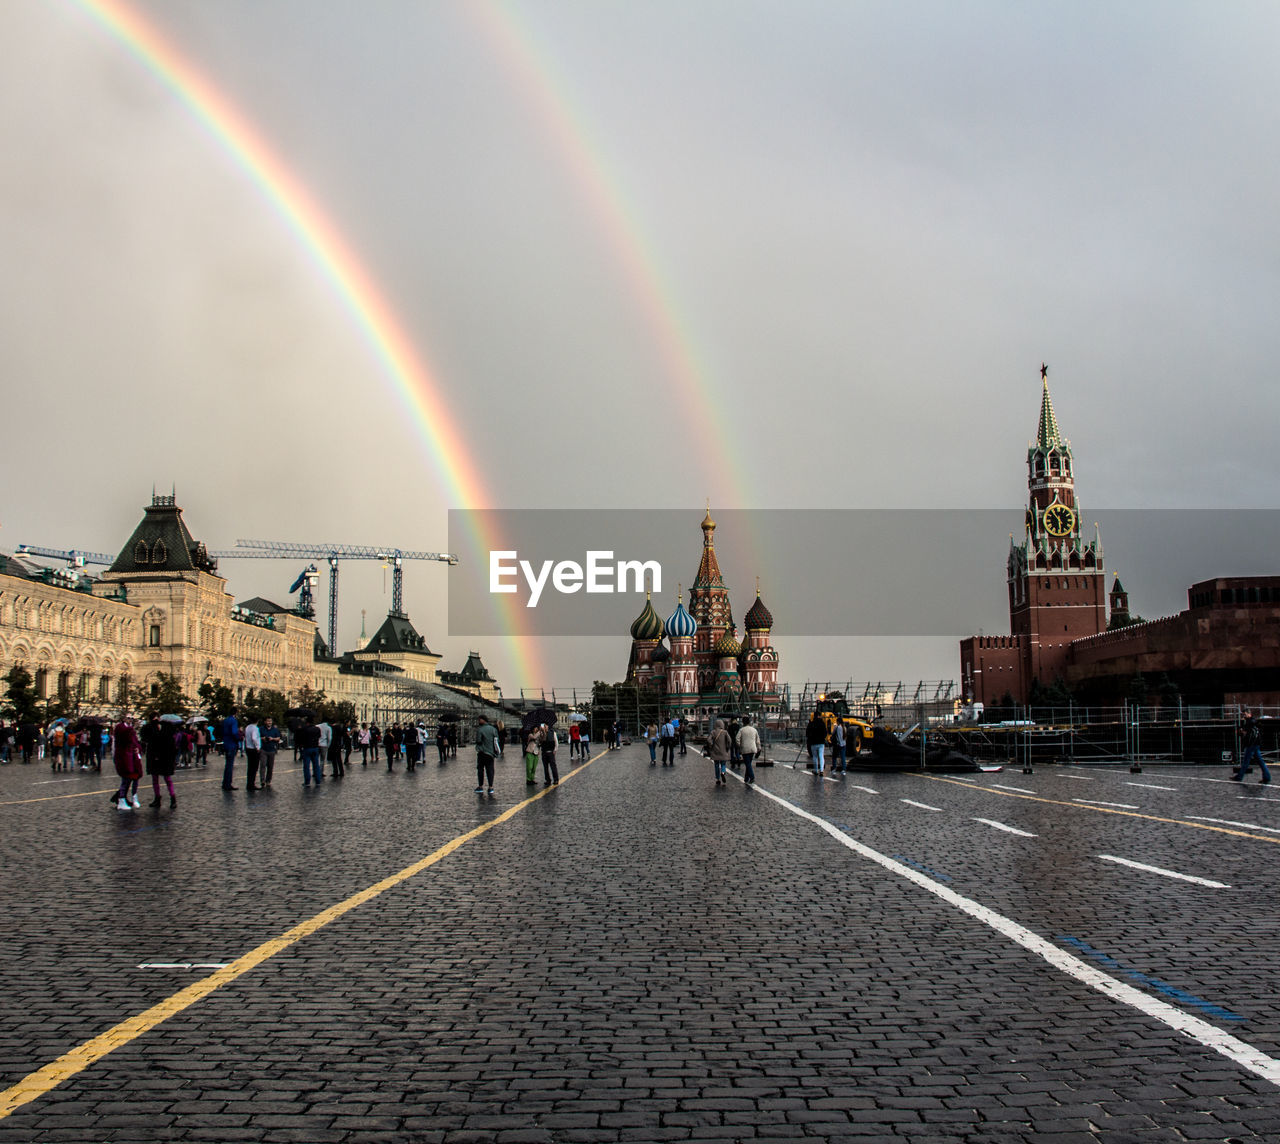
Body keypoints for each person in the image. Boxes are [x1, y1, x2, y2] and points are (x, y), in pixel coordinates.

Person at [111, 715, 143, 810]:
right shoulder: (120, 727)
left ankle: (123, 798)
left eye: (132, 719)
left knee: (131, 779)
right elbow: (125, 737)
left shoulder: (129, 729)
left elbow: (135, 742)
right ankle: (121, 799)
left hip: (132, 758)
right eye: (129, 718)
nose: (130, 720)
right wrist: (133, 729)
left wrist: (138, 749)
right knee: (126, 780)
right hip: (125, 758)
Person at [147, 718, 179, 808]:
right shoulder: (153, 733)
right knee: (156, 779)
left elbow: (172, 749)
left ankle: (172, 798)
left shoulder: (167, 735)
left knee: (167, 779)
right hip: (156, 759)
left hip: (165, 759)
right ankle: (158, 798)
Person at [1235, 709, 1271, 783]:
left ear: (1249, 714)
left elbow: (1245, 732)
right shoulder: (1253, 721)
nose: (1244, 716)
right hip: (1255, 744)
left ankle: (1239, 776)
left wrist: (1241, 730)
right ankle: (1267, 777)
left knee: (1246, 761)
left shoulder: (1250, 722)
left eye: (1245, 714)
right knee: (1260, 761)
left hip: (1251, 744)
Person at [474, 715, 499, 795]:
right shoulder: (493, 729)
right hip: (491, 754)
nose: (478, 721)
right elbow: (496, 741)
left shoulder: (480, 729)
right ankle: (491, 787)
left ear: (483, 720)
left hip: (482, 752)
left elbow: (478, 740)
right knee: (490, 770)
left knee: (480, 769)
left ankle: (480, 786)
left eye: (479, 720)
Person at [297, 715, 322, 786]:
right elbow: (319, 736)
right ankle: (318, 781)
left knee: (306, 766)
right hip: (315, 747)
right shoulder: (317, 729)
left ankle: (307, 781)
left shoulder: (304, 729)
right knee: (316, 765)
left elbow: (301, 738)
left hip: (307, 748)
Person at [706, 718, 732, 787]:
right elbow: (729, 741)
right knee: (723, 764)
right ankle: (723, 772)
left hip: (715, 751)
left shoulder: (713, 732)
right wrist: (727, 747)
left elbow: (708, 739)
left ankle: (717, 779)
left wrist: (711, 745)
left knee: (716, 765)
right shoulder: (725, 732)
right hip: (723, 751)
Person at [220, 709, 241, 791]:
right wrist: (238, 739)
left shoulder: (225, 720)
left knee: (227, 764)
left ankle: (225, 782)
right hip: (231, 744)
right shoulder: (233, 721)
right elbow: (234, 732)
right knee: (230, 765)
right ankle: (228, 783)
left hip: (226, 743)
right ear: (236, 713)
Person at [736, 715, 760, 786]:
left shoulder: (741, 730)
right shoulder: (754, 730)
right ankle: (746, 778)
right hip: (753, 748)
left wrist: (740, 746)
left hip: (745, 749)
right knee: (748, 763)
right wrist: (759, 748)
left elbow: (737, 739)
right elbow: (757, 740)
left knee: (748, 764)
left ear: (743, 722)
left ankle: (752, 777)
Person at [260, 717, 282, 787]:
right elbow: (257, 737)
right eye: (268, 721)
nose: (269, 722)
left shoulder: (275, 730)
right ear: (265, 722)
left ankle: (268, 780)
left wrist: (272, 739)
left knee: (270, 766)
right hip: (263, 749)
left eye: (270, 721)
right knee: (263, 765)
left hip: (272, 749)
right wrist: (263, 738)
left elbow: (278, 738)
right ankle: (262, 780)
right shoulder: (261, 729)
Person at [243, 715, 263, 791]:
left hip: (248, 748)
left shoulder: (247, 727)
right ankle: (252, 784)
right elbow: (254, 738)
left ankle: (249, 783)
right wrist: (258, 747)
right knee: (254, 767)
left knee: (250, 767)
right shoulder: (255, 728)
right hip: (254, 749)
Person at [806, 713, 827, 777]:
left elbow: (807, 733)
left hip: (813, 743)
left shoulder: (811, 724)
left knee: (815, 757)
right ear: (819, 716)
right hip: (821, 742)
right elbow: (825, 732)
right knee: (821, 756)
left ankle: (816, 770)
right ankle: (821, 770)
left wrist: (810, 739)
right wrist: (823, 738)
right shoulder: (822, 723)